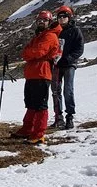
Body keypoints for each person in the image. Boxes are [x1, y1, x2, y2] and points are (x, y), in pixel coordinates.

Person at [11, 10, 62, 144]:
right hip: (33, 74)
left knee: (40, 105)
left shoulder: (50, 36)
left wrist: (29, 53)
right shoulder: (40, 36)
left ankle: (38, 134)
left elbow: (38, 52)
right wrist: (29, 53)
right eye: (39, 20)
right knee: (31, 104)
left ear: (50, 22)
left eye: (44, 20)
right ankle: (27, 130)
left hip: (42, 73)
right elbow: (27, 52)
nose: (41, 22)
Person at [50, 5, 85, 130]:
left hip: (69, 64)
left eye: (64, 16)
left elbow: (79, 48)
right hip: (57, 65)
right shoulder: (55, 31)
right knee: (55, 91)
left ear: (69, 17)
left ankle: (69, 116)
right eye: (59, 16)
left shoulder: (75, 31)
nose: (61, 18)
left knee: (68, 90)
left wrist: (69, 58)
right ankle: (58, 117)